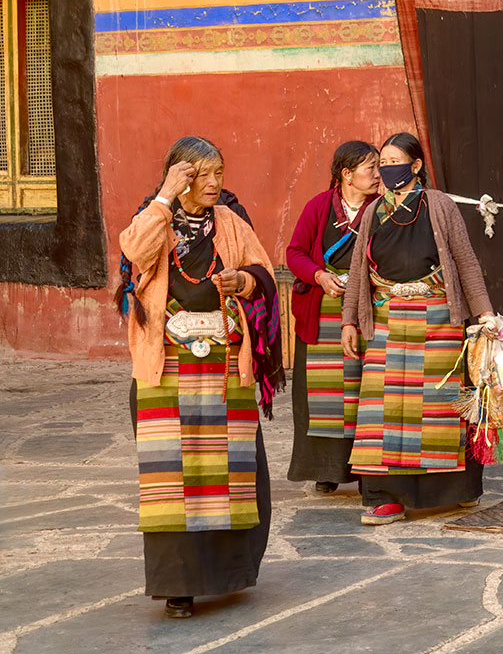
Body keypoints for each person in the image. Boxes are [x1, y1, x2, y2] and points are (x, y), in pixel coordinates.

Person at [117, 136, 282, 619]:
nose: (214, 184)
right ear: (179, 175)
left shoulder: (230, 222)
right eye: (202, 175)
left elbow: (263, 271)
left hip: (225, 363)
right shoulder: (155, 217)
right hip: (166, 364)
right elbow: (134, 252)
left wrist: (244, 281)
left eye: (219, 174)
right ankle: (178, 586)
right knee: (173, 475)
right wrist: (165, 197)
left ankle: (228, 573)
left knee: (229, 472)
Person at [340, 132, 495, 525]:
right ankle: (384, 496)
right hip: (387, 321)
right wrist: (348, 321)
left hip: (439, 317)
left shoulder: (440, 206)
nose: (387, 169)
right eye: (383, 162)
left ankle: (454, 490)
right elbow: (359, 270)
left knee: (440, 408)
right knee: (381, 415)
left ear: (415, 166)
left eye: (395, 161)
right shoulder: (373, 211)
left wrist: (484, 314)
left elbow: (465, 261)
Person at [285, 141, 380, 493]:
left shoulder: (381, 209)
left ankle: (366, 469)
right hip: (322, 311)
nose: (377, 175)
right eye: (370, 168)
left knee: (362, 391)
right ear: (347, 174)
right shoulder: (319, 207)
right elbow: (294, 252)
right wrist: (319, 276)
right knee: (322, 395)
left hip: (362, 309)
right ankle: (326, 470)